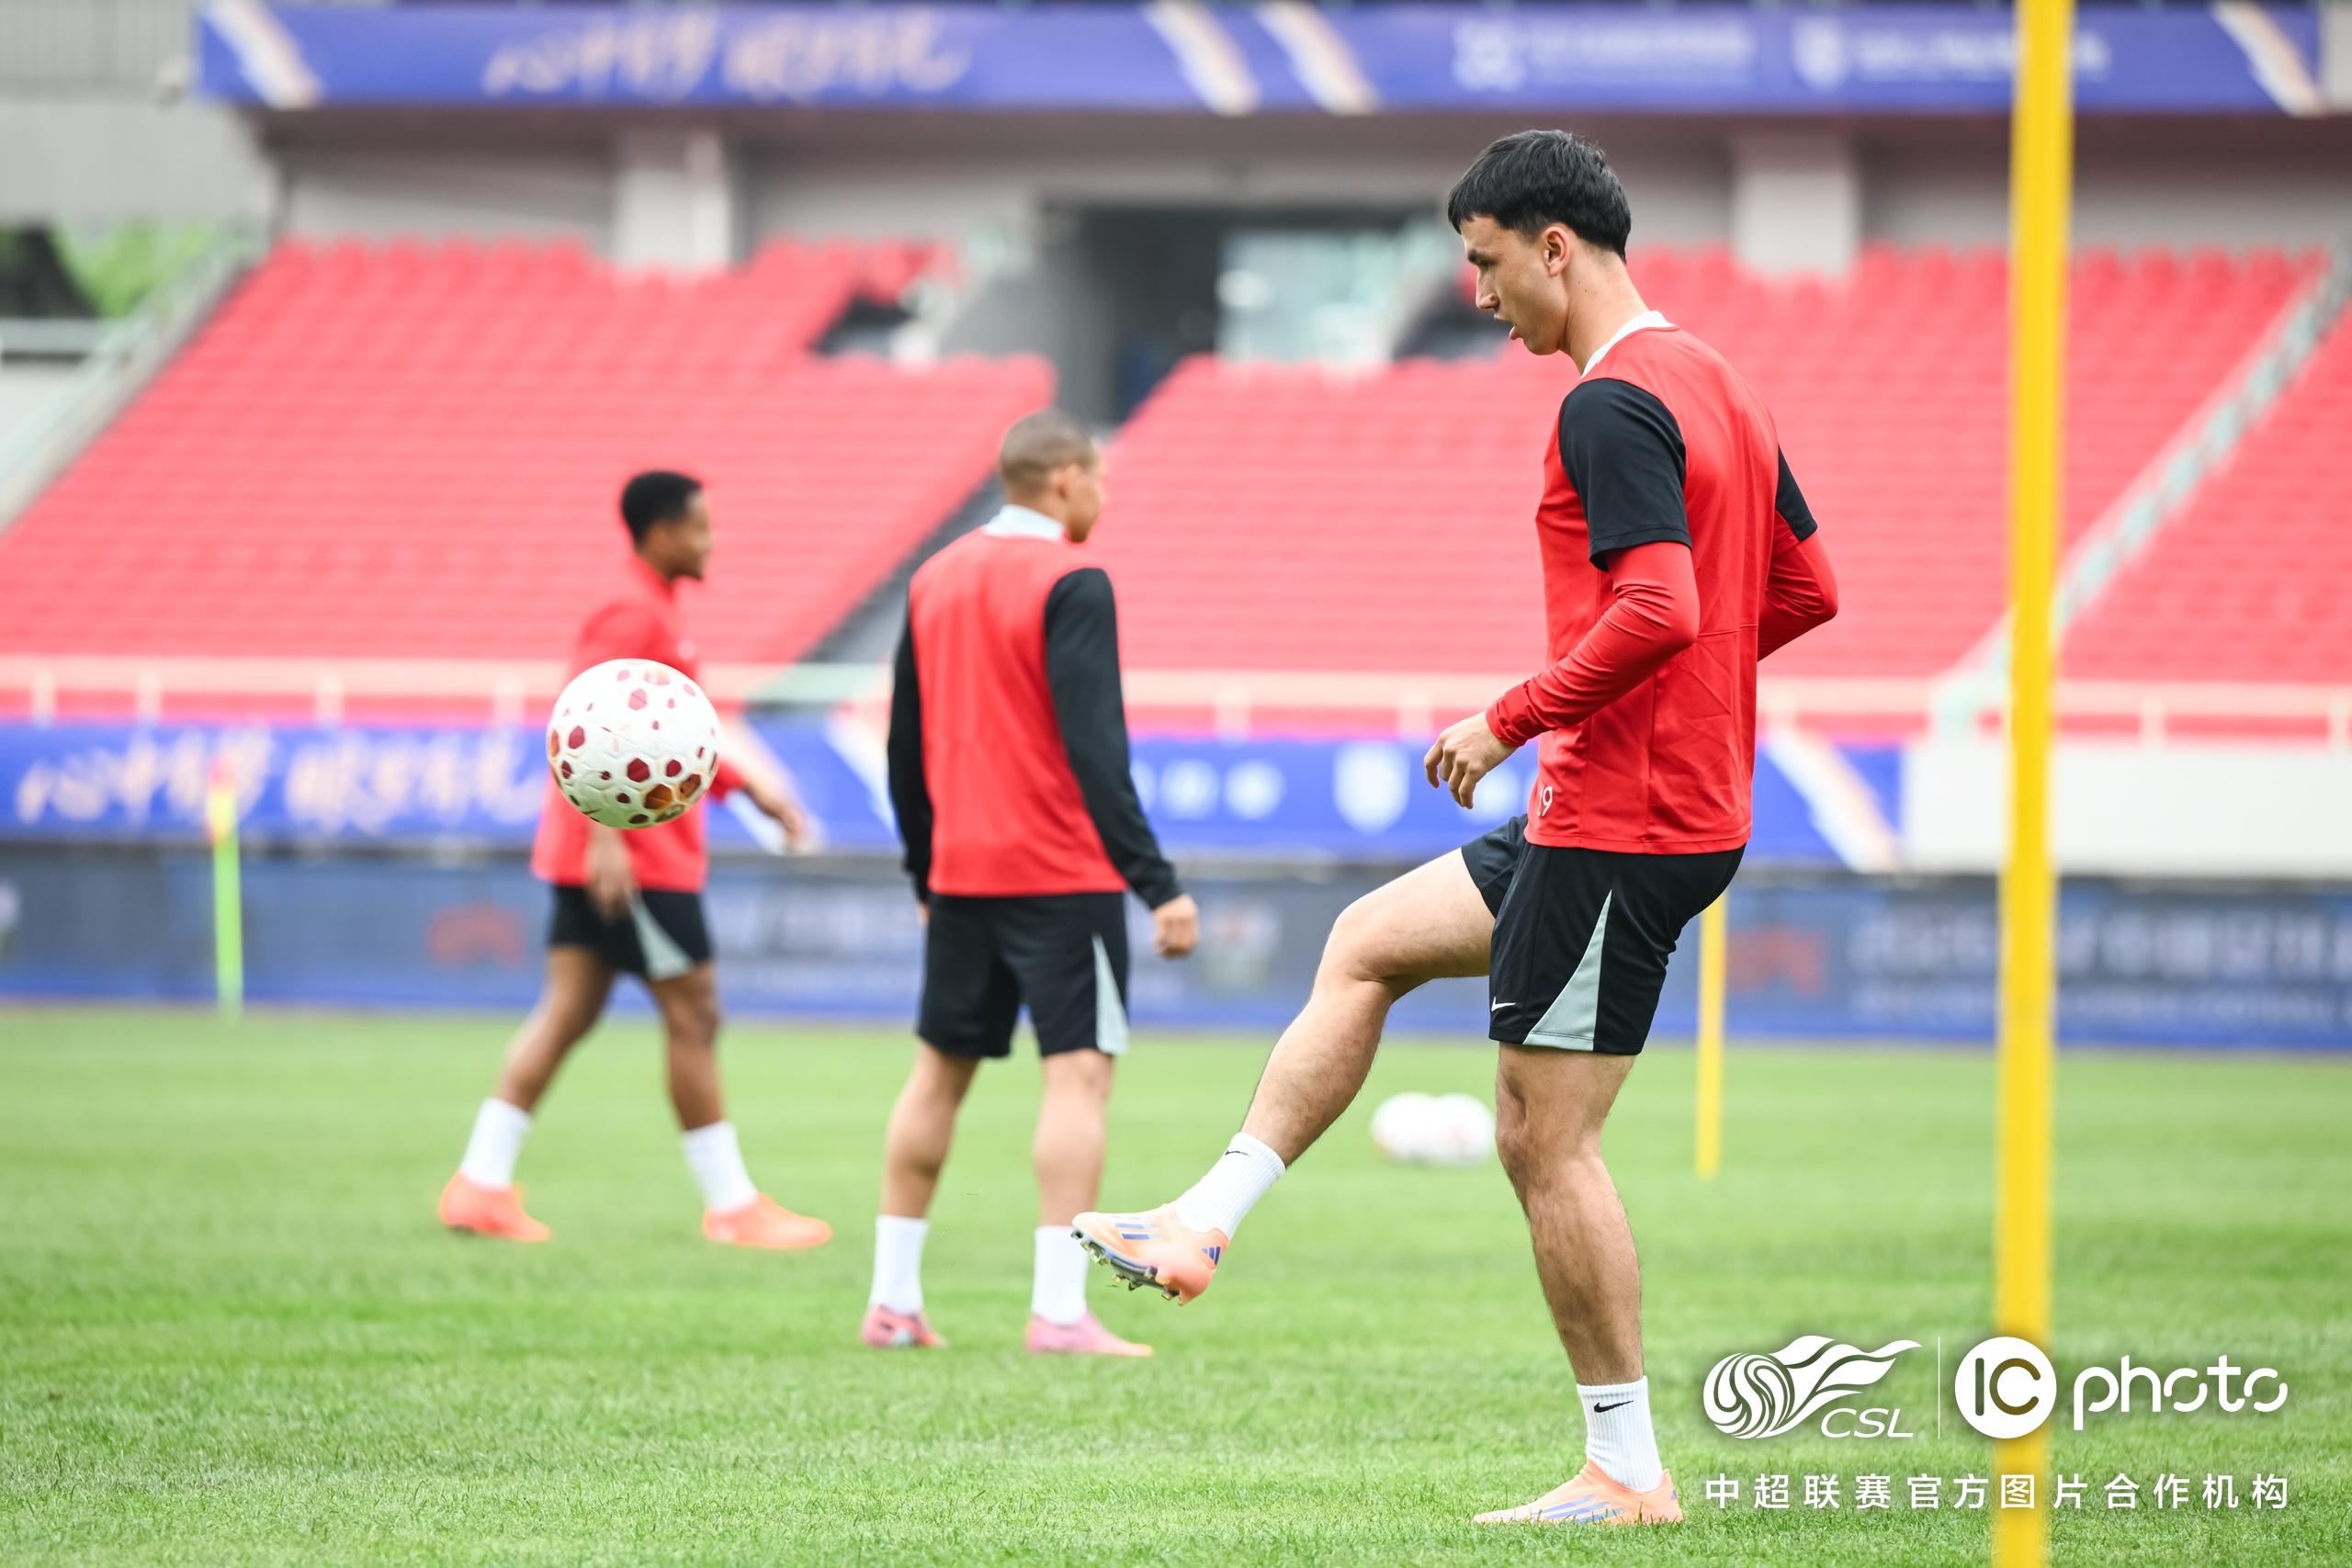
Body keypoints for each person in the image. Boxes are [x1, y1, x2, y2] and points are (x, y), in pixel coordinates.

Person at [1074, 130, 1840, 1524]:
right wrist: (1676, 694)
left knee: (1545, 1142)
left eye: (1486, 263)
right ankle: (1202, 1219)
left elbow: (1663, 606)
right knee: (1366, 942)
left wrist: (1511, 716)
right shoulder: (1717, 378)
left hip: (1625, 818)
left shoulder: (1610, 403)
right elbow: (1803, 588)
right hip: (1612, 799)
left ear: (1555, 246)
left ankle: (1626, 1469)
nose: (1477, 294)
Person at [868, 411, 1200, 1358]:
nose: (1103, 494)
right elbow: (1098, 749)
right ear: (1062, 479)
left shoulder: (933, 576)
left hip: (961, 873)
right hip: (1060, 875)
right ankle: (1057, 1312)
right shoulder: (1072, 579)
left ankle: (892, 1303)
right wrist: (1157, 884)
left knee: (937, 1075)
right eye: (1097, 477)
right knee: (1078, 1077)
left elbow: (903, 742)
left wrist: (923, 866)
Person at [437, 470, 832, 1252]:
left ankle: (479, 1185)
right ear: (660, 533)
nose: (711, 541)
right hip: (636, 861)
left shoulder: (655, 610)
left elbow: (668, 740)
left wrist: (749, 787)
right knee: (695, 1014)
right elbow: (586, 726)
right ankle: (732, 1205)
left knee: (566, 1013)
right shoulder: (633, 613)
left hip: (605, 852)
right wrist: (607, 837)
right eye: (700, 526)